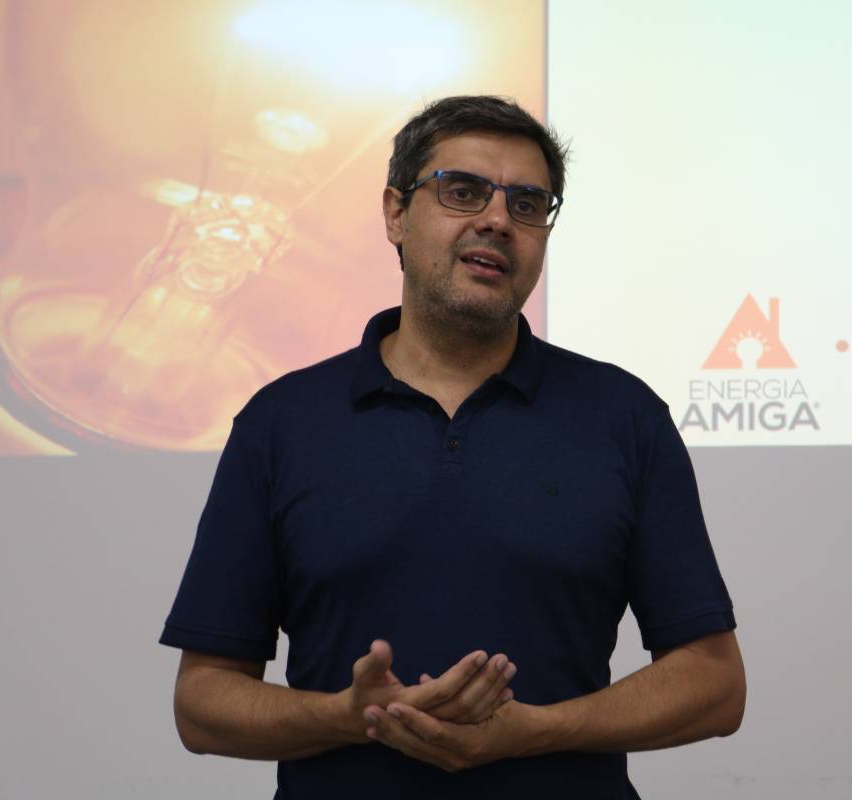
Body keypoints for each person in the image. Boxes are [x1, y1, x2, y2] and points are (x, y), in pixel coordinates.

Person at [160, 95, 745, 799]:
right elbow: (203, 703)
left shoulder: (624, 416)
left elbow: (714, 685)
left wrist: (535, 730)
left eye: (527, 204)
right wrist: (352, 716)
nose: (497, 220)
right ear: (395, 214)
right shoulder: (281, 421)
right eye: (462, 191)